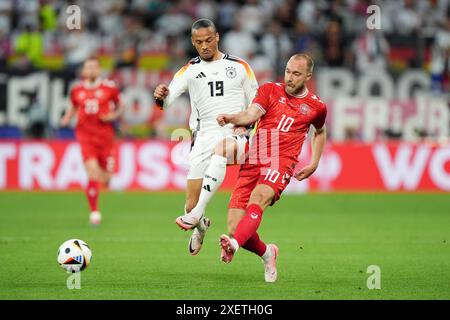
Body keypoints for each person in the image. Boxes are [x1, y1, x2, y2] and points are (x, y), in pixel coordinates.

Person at [216, 53, 327, 282]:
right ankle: (268, 253)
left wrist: (314, 162)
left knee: (258, 198)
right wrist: (233, 118)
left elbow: (320, 132)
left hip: (281, 162)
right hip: (254, 158)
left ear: (308, 76)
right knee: (234, 227)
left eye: (296, 74)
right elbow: (251, 114)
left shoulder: (316, 106)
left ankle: (234, 246)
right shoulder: (269, 90)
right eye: (287, 71)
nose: (289, 77)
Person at [153, 19, 258, 255]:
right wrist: (160, 94)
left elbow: (258, 102)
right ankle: (200, 226)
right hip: (202, 137)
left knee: (223, 148)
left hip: (235, 133)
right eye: (199, 42)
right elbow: (166, 101)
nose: (204, 46)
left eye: (209, 40)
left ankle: (198, 212)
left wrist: (247, 123)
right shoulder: (189, 69)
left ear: (217, 37)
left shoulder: (240, 66)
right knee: (189, 204)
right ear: (193, 42)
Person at [60, 57, 125, 226]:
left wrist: (113, 116)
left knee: (106, 178)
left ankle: (105, 181)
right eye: (88, 68)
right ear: (83, 71)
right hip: (85, 136)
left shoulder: (109, 88)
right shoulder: (76, 90)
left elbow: (121, 106)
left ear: (99, 70)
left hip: (105, 137)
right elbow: (73, 106)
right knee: (92, 172)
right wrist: (67, 118)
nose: (91, 71)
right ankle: (94, 212)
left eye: (94, 67)